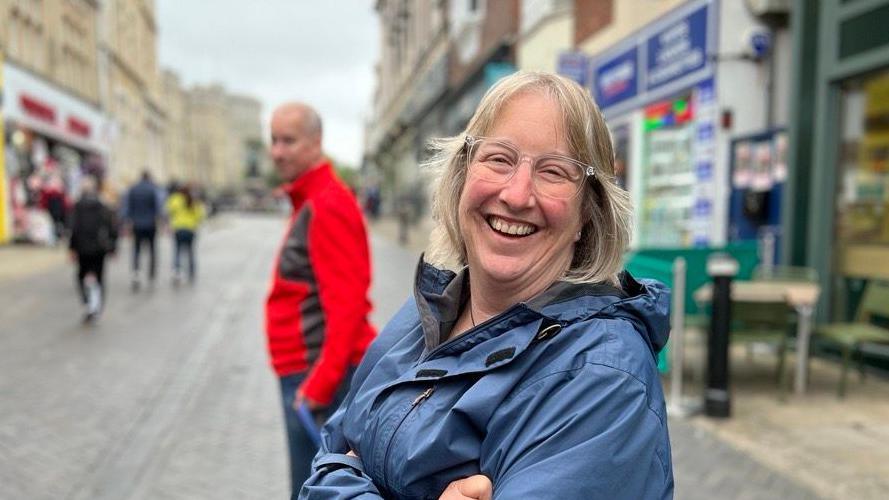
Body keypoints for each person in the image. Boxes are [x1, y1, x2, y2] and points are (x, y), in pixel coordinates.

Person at [299, 72, 673, 499]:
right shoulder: (432, 311)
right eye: (499, 159)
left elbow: (329, 470)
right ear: (461, 175)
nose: (516, 195)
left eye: (554, 171)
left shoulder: (604, 378)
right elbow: (329, 448)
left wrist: (343, 474)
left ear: (588, 212)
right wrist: (337, 469)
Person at [265, 102, 377, 494]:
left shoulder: (327, 203)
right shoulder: (311, 201)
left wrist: (317, 386)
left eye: (288, 141)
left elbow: (347, 307)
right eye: (274, 140)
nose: (277, 151)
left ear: (316, 143)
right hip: (308, 371)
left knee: (315, 488)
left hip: (318, 375)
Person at [68, 176, 117, 323]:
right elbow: (112, 228)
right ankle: (97, 306)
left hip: (83, 248)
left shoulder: (77, 207)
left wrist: (72, 248)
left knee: (82, 276)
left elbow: (73, 229)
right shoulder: (103, 206)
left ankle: (88, 303)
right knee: (99, 277)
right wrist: (113, 247)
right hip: (99, 248)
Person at [122, 170, 162, 291]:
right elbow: (158, 207)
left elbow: (127, 207)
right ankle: (151, 273)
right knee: (152, 249)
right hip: (150, 224)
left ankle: (136, 272)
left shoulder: (133, 189)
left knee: (137, 249)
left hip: (137, 224)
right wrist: (160, 220)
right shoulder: (153, 189)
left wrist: (126, 221)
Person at [165, 184, 205, 285]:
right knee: (190, 252)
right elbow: (200, 215)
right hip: (190, 229)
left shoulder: (175, 199)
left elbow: (168, 210)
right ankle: (191, 272)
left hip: (178, 228)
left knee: (177, 251)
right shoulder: (194, 200)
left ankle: (177, 272)